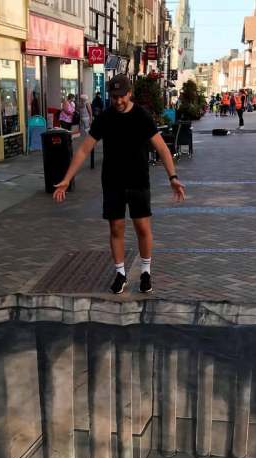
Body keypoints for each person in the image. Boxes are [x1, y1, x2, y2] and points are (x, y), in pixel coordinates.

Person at [52, 74, 186, 295]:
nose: (118, 101)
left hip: (138, 180)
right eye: (114, 97)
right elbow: (85, 149)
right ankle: (120, 274)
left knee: (142, 228)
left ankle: (145, 272)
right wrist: (67, 179)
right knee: (116, 228)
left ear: (129, 93)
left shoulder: (142, 116)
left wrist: (173, 177)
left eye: (121, 96)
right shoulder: (105, 118)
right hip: (113, 182)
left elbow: (162, 148)